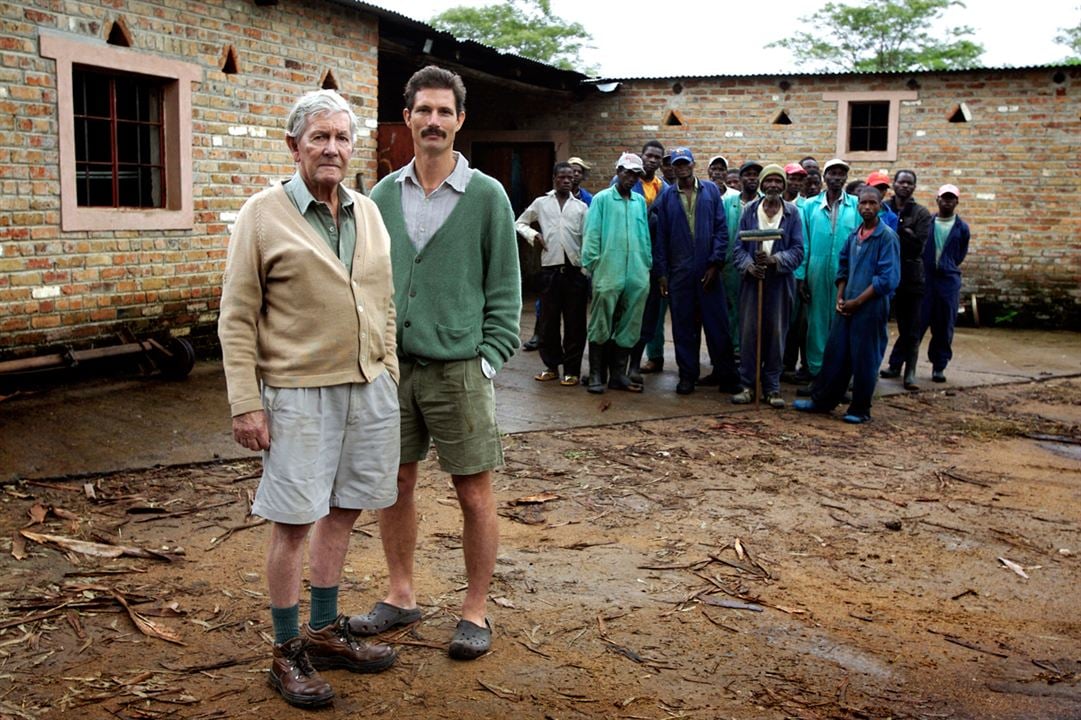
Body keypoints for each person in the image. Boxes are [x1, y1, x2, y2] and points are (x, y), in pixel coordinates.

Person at [218, 89, 399, 708]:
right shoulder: (263, 214)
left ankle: (324, 633)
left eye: (341, 138)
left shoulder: (368, 212)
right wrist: (246, 401)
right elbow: (237, 316)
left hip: (368, 388)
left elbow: (384, 300)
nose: (331, 148)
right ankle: (286, 649)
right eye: (318, 137)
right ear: (293, 145)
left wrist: (389, 366)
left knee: (345, 510)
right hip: (298, 394)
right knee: (294, 522)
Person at [358, 66, 521, 661]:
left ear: (459, 120)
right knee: (394, 483)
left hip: (459, 370)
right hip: (394, 370)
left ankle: (474, 611)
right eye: (422, 110)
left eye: (443, 112)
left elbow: (506, 287)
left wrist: (489, 358)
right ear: (407, 119)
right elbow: (369, 282)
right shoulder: (381, 196)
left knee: (473, 492)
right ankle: (401, 595)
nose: (433, 121)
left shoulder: (486, 197)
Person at [794, 186, 900, 423]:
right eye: (863, 203)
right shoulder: (855, 235)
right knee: (836, 353)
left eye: (873, 203)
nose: (867, 208)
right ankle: (823, 401)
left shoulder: (886, 237)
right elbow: (843, 268)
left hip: (870, 307)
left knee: (865, 358)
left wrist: (857, 301)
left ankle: (860, 409)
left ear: (881, 205)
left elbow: (887, 279)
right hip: (847, 305)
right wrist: (841, 297)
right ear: (858, 205)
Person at [653, 147, 739, 395]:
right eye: (676, 164)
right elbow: (661, 238)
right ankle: (687, 376)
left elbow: (721, 230)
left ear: (692, 164)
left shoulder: (711, 190)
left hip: (708, 269)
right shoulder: (667, 196)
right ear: (672, 167)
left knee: (718, 325)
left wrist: (715, 263)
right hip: (680, 272)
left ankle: (726, 376)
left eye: (684, 163)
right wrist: (662, 273)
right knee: (683, 327)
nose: (681, 168)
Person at [731, 164, 805, 407]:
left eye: (778, 181)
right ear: (762, 185)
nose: (773, 185)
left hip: (780, 283)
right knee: (750, 332)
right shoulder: (750, 211)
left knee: (776, 332)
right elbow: (738, 248)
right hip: (753, 282)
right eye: (769, 181)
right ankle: (748, 385)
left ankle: (772, 387)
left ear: (783, 186)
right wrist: (749, 265)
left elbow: (797, 250)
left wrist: (775, 260)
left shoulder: (792, 213)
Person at [582, 152, 652, 393]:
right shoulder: (602, 199)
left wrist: (646, 263)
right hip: (608, 268)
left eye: (635, 174)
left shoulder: (639, 202)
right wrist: (593, 263)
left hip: (636, 270)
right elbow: (592, 233)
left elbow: (644, 235)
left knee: (631, 321)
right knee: (601, 320)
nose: (630, 178)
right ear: (618, 171)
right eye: (627, 172)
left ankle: (618, 374)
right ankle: (595, 374)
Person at [515, 161, 589, 386]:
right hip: (549, 272)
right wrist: (533, 235)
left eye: (570, 177)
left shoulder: (581, 208)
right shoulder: (541, 203)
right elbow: (519, 222)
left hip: (575, 273)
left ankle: (572, 370)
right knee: (548, 322)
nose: (566, 181)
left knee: (575, 323)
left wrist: (586, 270)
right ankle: (550, 366)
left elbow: (588, 239)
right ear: (554, 179)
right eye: (562, 177)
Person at [797, 158, 861, 392]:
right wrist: (801, 275)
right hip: (815, 268)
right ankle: (818, 376)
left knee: (842, 323)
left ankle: (840, 380)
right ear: (824, 177)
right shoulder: (810, 206)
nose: (836, 177)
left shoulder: (855, 205)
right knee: (816, 324)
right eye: (832, 173)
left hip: (846, 271)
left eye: (841, 174)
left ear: (846, 178)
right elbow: (803, 242)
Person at [880, 169, 933, 389]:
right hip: (886, 272)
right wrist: (905, 232)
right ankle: (890, 366)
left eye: (910, 183)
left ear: (914, 187)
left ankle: (909, 372)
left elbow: (917, 245)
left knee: (910, 328)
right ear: (894, 184)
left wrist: (899, 233)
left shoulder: (921, 213)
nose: (905, 186)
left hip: (911, 277)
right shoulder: (884, 207)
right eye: (901, 182)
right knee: (878, 323)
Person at [916, 184, 970, 383]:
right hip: (926, 279)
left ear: (956, 202)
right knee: (917, 322)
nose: (947, 202)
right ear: (937, 200)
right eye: (944, 198)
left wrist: (947, 266)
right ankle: (899, 363)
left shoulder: (961, 228)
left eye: (951, 199)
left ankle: (939, 366)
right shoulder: (927, 222)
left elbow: (960, 254)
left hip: (948, 281)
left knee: (944, 324)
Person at [717, 160, 764, 367]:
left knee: (752, 312)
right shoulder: (728, 203)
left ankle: (748, 357)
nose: (752, 178)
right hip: (729, 267)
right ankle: (728, 357)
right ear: (741, 178)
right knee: (729, 311)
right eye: (748, 174)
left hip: (756, 267)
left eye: (755, 175)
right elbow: (719, 232)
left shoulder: (766, 204)